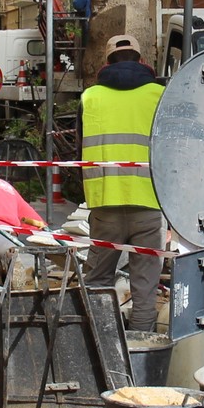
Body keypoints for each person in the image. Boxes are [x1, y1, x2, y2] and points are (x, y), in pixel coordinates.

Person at [80, 34, 165, 333]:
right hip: (149, 201)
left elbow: (78, 150)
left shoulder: (90, 97)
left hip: (105, 202)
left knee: (98, 281)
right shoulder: (160, 94)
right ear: (141, 60)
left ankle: (99, 344)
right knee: (144, 287)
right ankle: (141, 347)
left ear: (107, 62)